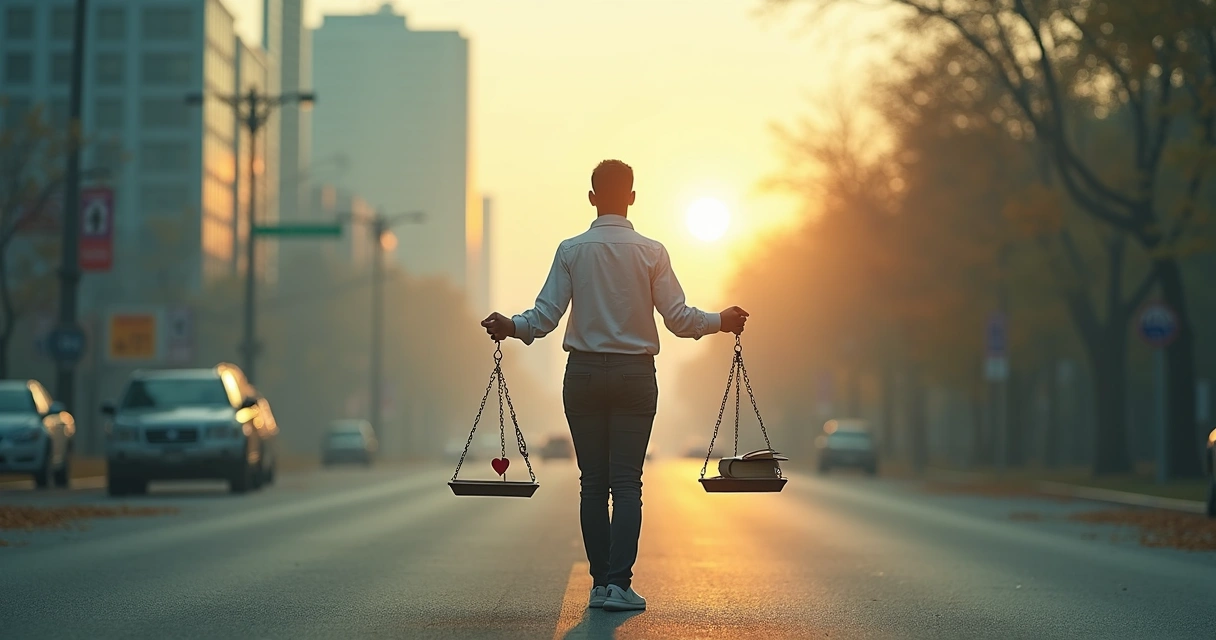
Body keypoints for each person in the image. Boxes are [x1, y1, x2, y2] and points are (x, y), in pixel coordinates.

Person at [481, 159, 749, 613]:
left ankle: (599, 582)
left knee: (593, 484)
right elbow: (680, 320)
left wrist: (511, 325)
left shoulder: (571, 250)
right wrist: (721, 321)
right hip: (633, 377)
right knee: (626, 484)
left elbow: (544, 317)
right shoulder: (652, 252)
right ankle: (618, 586)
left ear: (591, 198)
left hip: (582, 375)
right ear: (631, 197)